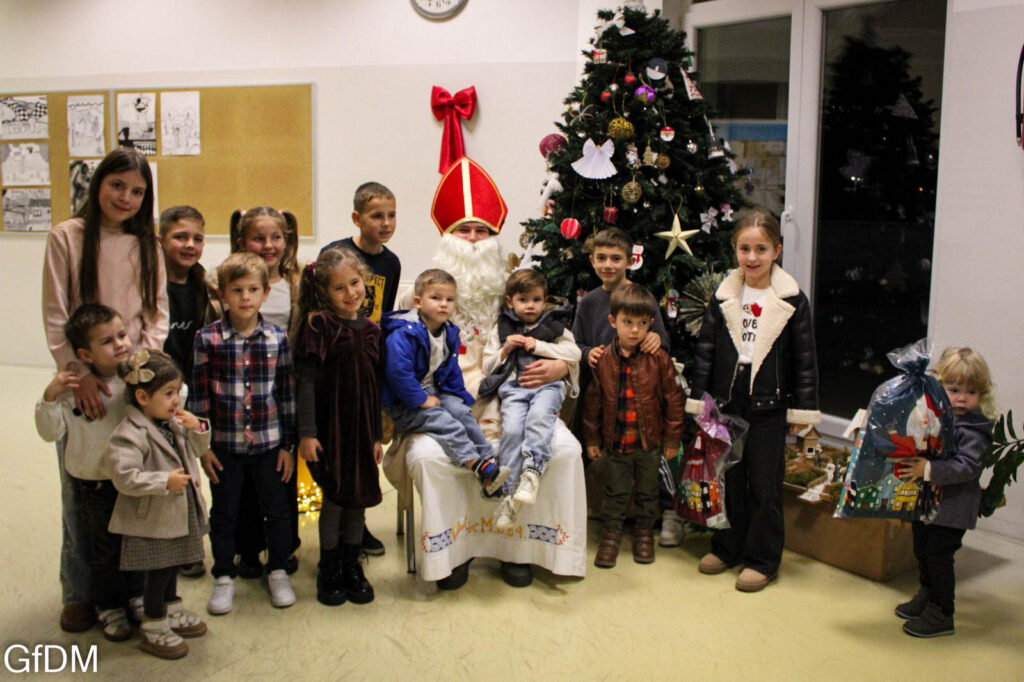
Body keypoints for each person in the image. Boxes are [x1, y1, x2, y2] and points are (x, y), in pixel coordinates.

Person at [383, 156, 585, 590]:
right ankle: (455, 552)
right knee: (431, 459)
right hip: (441, 401)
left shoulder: (514, 291)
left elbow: (561, 341)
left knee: (564, 451)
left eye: (482, 231)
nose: (474, 240)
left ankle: (518, 550)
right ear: (447, 237)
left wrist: (560, 366)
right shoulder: (416, 293)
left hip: (509, 395)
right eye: (464, 230)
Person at [42, 147, 168, 633]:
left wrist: (140, 370)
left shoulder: (147, 242)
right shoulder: (67, 237)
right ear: (98, 184)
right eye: (117, 185)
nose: (126, 198)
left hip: (131, 383)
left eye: (137, 191)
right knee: (81, 490)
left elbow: (155, 313)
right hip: (84, 383)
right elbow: (56, 313)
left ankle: (129, 592)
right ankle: (79, 592)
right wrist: (81, 373)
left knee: (129, 489)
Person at [687, 209, 820, 593]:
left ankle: (762, 559)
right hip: (728, 403)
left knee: (764, 486)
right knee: (728, 479)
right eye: (744, 248)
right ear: (735, 250)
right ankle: (728, 547)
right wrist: (699, 401)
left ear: (777, 250)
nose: (752, 257)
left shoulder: (792, 300)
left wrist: (804, 409)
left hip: (769, 407)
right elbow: (706, 352)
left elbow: (805, 359)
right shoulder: (724, 296)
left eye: (761, 249)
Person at [189, 252, 297, 614]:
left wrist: (288, 446)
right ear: (222, 294)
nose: (245, 297)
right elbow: (200, 398)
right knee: (224, 513)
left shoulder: (277, 338)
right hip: (225, 446)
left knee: (278, 511)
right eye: (236, 290)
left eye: (253, 289)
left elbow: (286, 394)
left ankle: (278, 569)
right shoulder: (207, 339)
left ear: (265, 293)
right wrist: (202, 448)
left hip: (269, 445)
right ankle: (224, 574)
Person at [570, 228, 684, 548]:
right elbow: (575, 342)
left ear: (629, 261)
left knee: (650, 461)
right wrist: (585, 353)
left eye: (616, 258)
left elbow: (662, 339)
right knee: (593, 451)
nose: (608, 264)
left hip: (641, 396)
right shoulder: (589, 302)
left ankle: (663, 512)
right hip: (603, 393)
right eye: (601, 258)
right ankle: (594, 513)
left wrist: (656, 338)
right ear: (592, 261)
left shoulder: (641, 297)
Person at [34, 303, 141, 641]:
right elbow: (50, 431)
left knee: (137, 542)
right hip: (94, 485)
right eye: (107, 341)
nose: (120, 344)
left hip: (133, 481)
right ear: (84, 354)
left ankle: (137, 597)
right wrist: (50, 397)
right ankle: (109, 606)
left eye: (122, 335)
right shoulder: (72, 392)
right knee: (103, 550)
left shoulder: (136, 378)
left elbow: (172, 399)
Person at [106, 349, 210, 660]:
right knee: (160, 572)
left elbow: (197, 449)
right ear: (142, 396)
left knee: (174, 564)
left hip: (179, 513)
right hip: (155, 520)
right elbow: (125, 477)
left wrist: (197, 427)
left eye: (177, 391)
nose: (176, 400)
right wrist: (163, 481)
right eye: (168, 393)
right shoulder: (130, 433)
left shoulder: (173, 422)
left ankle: (171, 609)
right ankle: (154, 624)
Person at [294, 248, 382, 606]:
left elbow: (374, 387)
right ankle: (329, 565)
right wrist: (307, 432)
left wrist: (377, 436)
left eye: (355, 283)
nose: (350, 293)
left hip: (362, 431)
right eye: (339, 287)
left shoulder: (373, 330)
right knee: (333, 497)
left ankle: (351, 562)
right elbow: (306, 383)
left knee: (358, 498)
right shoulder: (318, 325)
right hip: (330, 431)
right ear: (323, 292)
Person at [320, 181, 401, 556]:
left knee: (366, 452)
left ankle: (359, 525)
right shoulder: (335, 253)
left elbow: (384, 316)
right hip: (337, 363)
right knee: (339, 453)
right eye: (376, 215)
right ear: (356, 218)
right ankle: (334, 532)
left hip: (369, 360)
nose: (386, 223)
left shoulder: (392, 263)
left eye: (391, 215)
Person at [895, 346, 996, 638]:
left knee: (939, 557)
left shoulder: (974, 428)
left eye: (971, 391)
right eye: (954, 390)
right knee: (922, 550)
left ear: (982, 394)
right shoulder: (940, 418)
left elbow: (967, 467)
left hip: (952, 508)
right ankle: (927, 594)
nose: (962, 398)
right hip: (929, 504)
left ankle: (941, 612)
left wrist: (928, 469)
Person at [382, 269, 510, 494]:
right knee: (444, 421)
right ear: (418, 302)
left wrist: (459, 396)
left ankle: (489, 459)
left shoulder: (448, 331)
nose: (444, 304)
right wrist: (421, 400)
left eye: (450, 300)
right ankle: (475, 464)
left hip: (433, 389)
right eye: (436, 298)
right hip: (403, 403)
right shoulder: (404, 333)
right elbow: (398, 373)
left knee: (461, 412)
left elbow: (450, 370)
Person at [583, 284, 684, 568]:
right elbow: (593, 403)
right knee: (615, 492)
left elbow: (674, 400)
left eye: (642, 323)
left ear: (651, 323)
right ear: (613, 321)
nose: (635, 330)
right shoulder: (603, 359)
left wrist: (672, 440)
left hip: (649, 444)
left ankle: (644, 533)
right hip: (617, 443)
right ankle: (611, 534)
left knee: (648, 492)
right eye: (627, 322)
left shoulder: (658, 358)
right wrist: (592, 439)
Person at [229, 206, 302, 577]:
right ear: (242, 241)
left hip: (280, 394)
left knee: (281, 474)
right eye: (259, 238)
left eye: (276, 237)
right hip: (240, 395)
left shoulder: (296, 283)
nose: (269, 245)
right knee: (242, 479)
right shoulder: (229, 283)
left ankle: (284, 545)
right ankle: (247, 547)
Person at [480, 269, 581, 530]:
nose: (530, 306)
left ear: (544, 301)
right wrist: (506, 349)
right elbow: (487, 367)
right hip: (514, 389)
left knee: (538, 419)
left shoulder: (554, 324)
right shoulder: (501, 327)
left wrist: (538, 346)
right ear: (510, 301)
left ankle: (532, 472)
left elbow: (574, 354)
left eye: (536, 300)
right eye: (523, 300)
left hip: (547, 387)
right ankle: (509, 497)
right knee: (512, 430)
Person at [159, 205, 211, 382]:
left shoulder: (207, 289)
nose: (190, 245)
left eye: (198, 239)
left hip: (194, 383)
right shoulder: (145, 287)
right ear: (161, 240)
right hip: (156, 383)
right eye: (180, 237)